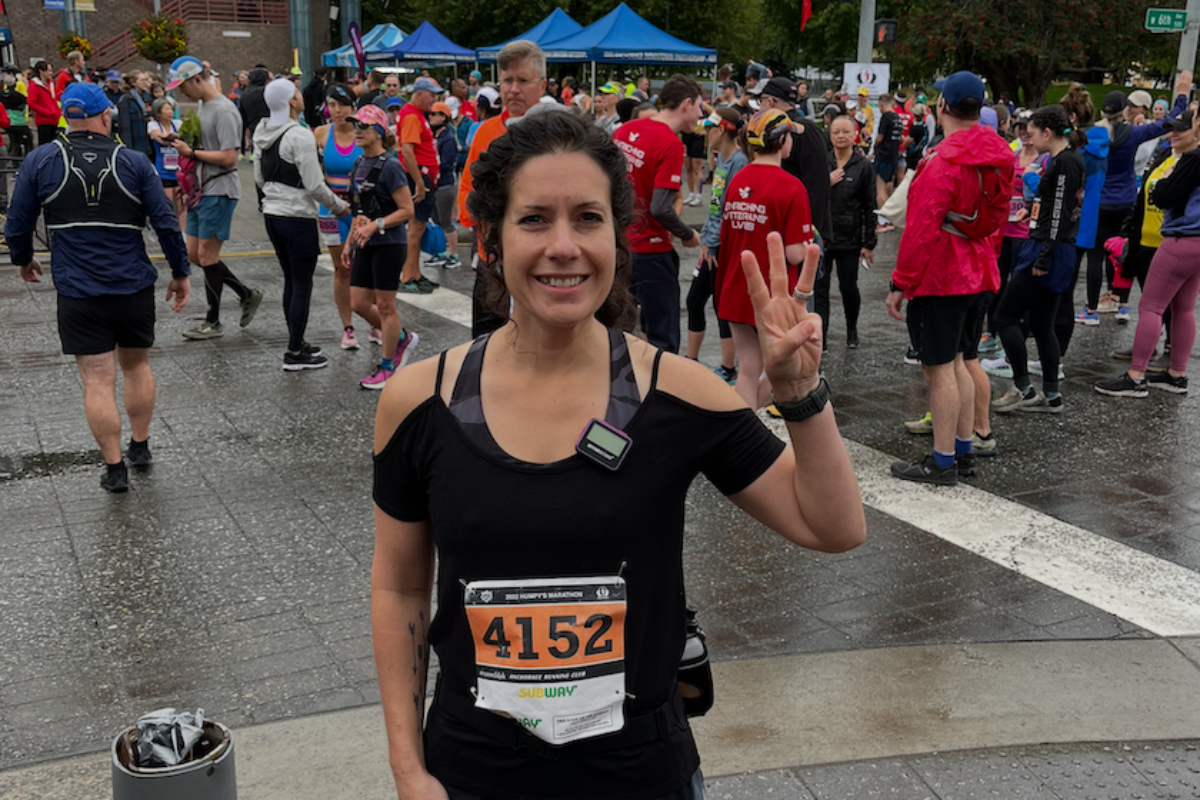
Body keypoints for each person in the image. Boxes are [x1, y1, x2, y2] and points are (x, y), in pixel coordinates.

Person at [370, 108, 865, 800]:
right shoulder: (421, 400)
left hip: (637, 770)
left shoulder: (678, 393)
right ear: (490, 238)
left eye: (588, 219)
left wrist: (803, 395)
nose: (564, 246)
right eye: (535, 219)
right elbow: (397, 590)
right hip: (473, 765)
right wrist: (406, 766)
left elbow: (833, 526)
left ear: (619, 236)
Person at [4, 82, 190, 492]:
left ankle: (115, 468)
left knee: (97, 380)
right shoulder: (134, 162)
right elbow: (164, 222)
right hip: (132, 285)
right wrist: (180, 272)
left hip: (78, 289)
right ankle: (140, 447)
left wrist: (23, 259)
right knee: (137, 365)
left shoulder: (41, 160)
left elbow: (16, 222)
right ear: (106, 115)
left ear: (68, 118)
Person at [886, 71, 1013, 485]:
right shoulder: (1000, 155)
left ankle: (941, 462)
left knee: (939, 368)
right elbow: (996, 219)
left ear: (942, 106)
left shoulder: (941, 161)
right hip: (979, 270)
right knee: (960, 361)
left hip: (943, 274)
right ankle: (963, 449)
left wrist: (900, 283)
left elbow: (921, 229)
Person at [1095, 108, 1200, 398]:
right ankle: (1177, 374)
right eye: (1171, 128)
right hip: (1194, 241)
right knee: (1183, 308)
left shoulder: (1191, 159)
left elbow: (1163, 195)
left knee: (1151, 307)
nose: (1173, 132)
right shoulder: (1184, 155)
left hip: (1181, 238)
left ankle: (1136, 375)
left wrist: (1167, 177)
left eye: (1181, 128)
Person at [717, 108, 816, 410]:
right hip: (775, 295)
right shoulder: (792, 186)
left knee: (747, 368)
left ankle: (741, 433)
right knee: (783, 369)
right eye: (790, 136)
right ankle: (750, 432)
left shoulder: (738, 178)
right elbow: (795, 253)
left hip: (735, 285)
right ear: (782, 140)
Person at [991, 106, 1087, 414]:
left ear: (1047, 132)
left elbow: (1058, 211)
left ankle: (1023, 388)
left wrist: (1044, 257)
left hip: (1049, 249)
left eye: (1031, 132)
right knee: (1043, 324)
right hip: (1054, 247)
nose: (1027, 138)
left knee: (1004, 316)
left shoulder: (1064, 162)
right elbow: (1053, 207)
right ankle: (1051, 395)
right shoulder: (1065, 160)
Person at [1076, 72, 1190, 324]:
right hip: (1127, 197)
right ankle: (1122, 303)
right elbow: (1169, 122)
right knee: (1120, 251)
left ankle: (1091, 310)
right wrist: (1181, 94)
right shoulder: (1133, 133)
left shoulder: (1094, 134)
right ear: (1124, 109)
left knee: (1095, 255)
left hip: (1100, 199)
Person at [254, 78, 351, 371]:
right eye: (296, 92)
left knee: (291, 280)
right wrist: (342, 207)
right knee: (301, 283)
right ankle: (295, 352)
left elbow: (258, 178)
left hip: (272, 214)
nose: (301, 93)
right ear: (292, 102)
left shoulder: (261, 131)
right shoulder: (299, 135)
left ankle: (297, 340)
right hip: (297, 216)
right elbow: (315, 185)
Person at [168, 55, 263, 339]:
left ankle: (214, 320)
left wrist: (191, 153)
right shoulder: (203, 105)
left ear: (196, 79)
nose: (180, 91)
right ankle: (246, 294)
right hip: (202, 189)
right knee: (194, 254)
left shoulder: (224, 110)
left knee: (208, 257)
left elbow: (230, 157)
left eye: (182, 85)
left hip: (219, 190)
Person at [458, 40, 549, 337]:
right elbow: (467, 187)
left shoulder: (556, 133)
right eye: (507, 81)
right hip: (492, 261)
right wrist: (478, 226)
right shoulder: (486, 131)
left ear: (542, 85)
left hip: (540, 263)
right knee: (484, 346)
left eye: (523, 81)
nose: (513, 89)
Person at [613, 74, 705, 353]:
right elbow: (660, 207)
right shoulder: (671, 144)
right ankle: (660, 394)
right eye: (700, 106)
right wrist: (687, 233)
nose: (701, 115)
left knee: (615, 330)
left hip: (616, 245)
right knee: (662, 338)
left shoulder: (626, 130)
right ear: (686, 104)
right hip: (650, 251)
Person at [341, 104, 419, 389]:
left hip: (389, 243)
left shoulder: (392, 166)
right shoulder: (359, 164)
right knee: (359, 303)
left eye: (363, 126)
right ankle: (399, 337)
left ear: (378, 132)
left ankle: (388, 366)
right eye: (355, 126)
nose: (357, 131)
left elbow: (407, 209)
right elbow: (358, 209)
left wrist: (377, 225)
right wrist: (350, 241)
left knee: (385, 306)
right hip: (365, 242)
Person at [314, 83, 376, 351]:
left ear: (354, 107)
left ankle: (374, 321)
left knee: (369, 266)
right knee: (341, 269)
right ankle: (347, 327)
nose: (337, 111)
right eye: (332, 104)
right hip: (331, 209)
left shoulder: (364, 133)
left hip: (361, 209)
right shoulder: (320, 133)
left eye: (342, 104)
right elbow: (314, 174)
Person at [687, 107, 746, 383]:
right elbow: (714, 205)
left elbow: (730, 210)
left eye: (709, 128)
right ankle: (690, 361)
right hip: (711, 244)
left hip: (723, 247)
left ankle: (728, 368)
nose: (704, 133)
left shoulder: (739, 163)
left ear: (721, 130)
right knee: (695, 300)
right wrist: (706, 240)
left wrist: (713, 243)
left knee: (721, 306)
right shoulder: (721, 160)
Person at [822, 114, 877, 348]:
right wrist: (826, 182)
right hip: (823, 237)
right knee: (820, 290)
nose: (841, 136)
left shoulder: (863, 166)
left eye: (846, 131)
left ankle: (851, 329)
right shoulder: (822, 162)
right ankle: (820, 336)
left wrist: (868, 243)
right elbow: (808, 196)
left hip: (850, 238)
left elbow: (869, 206)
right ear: (830, 135)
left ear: (855, 135)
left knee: (848, 287)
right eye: (836, 132)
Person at [396, 76, 444, 293]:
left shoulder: (414, 114)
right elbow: (407, 149)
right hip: (419, 175)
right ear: (419, 94)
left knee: (419, 226)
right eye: (431, 95)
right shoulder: (412, 116)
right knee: (415, 229)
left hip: (423, 175)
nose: (433, 101)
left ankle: (414, 272)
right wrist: (418, 182)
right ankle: (407, 275)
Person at [426, 101, 461, 270]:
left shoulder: (448, 139)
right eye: (430, 114)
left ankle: (454, 254)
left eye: (434, 114)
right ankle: (439, 252)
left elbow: (446, 163)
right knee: (436, 219)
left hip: (445, 184)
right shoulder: (434, 137)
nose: (430, 117)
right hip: (434, 184)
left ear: (443, 117)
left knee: (446, 221)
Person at [147, 97, 184, 229]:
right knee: (167, 204)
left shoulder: (178, 123)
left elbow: (185, 137)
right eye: (166, 109)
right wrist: (172, 139)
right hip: (163, 170)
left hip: (179, 169)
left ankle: (183, 234)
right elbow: (160, 138)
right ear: (158, 113)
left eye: (171, 109)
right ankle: (170, 230)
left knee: (182, 205)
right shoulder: (153, 125)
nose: (170, 112)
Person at [873, 93, 903, 224]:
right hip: (893, 155)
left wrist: (873, 147)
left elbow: (880, 137)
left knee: (879, 188)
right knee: (889, 186)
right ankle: (890, 216)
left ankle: (884, 218)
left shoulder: (886, 117)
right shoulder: (897, 117)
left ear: (881, 103)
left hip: (883, 155)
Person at [116, 71, 154, 162]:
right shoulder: (126, 99)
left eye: (146, 80)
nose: (145, 82)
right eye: (142, 80)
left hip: (149, 142)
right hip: (136, 143)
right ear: (134, 83)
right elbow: (125, 128)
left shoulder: (148, 97)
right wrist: (128, 150)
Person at [1, 65, 33, 157]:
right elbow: (25, 102)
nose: (3, 75)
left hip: (12, 119)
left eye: (4, 73)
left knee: (15, 143)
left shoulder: (18, 84)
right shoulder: (10, 85)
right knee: (24, 143)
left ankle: (14, 163)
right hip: (17, 119)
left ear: (11, 73)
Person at [238, 67, 271, 156]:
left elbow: (243, 116)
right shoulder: (266, 92)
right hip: (268, 126)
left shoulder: (245, 94)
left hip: (252, 126)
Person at [28, 61, 61, 146]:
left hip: (53, 119)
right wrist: (46, 112)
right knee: (45, 145)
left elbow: (53, 100)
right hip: (44, 120)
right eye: (48, 71)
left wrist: (58, 112)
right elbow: (31, 102)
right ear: (41, 71)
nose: (51, 73)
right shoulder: (35, 85)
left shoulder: (50, 83)